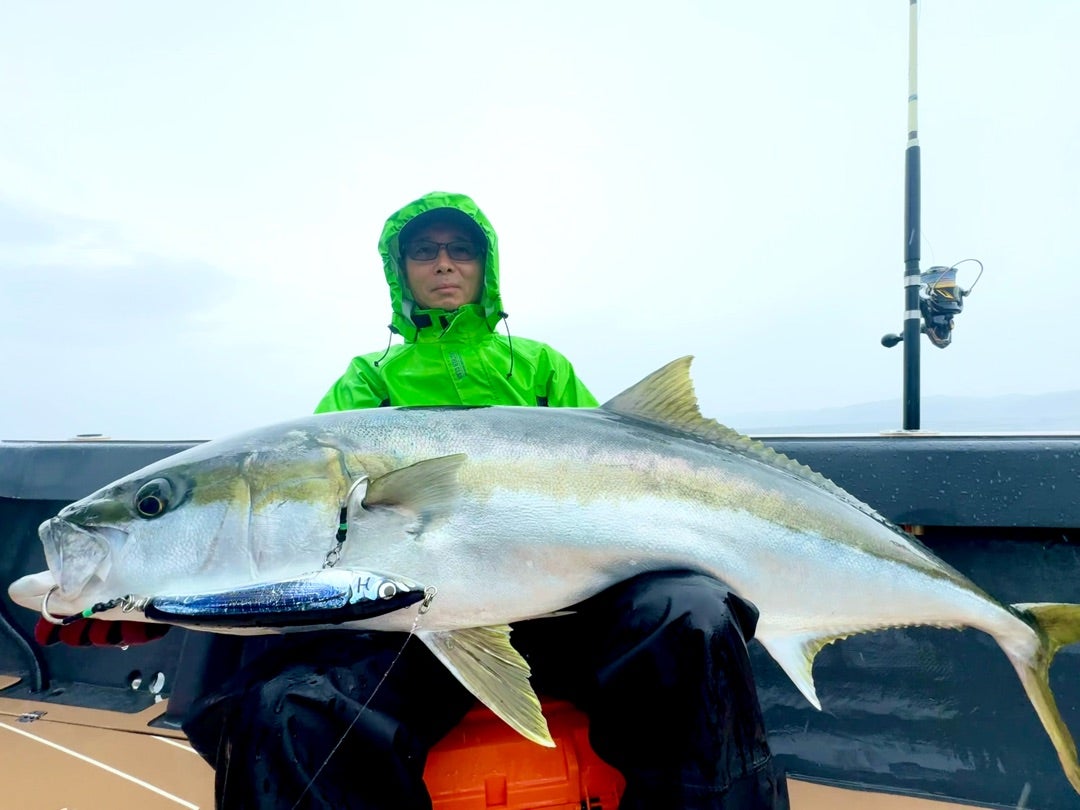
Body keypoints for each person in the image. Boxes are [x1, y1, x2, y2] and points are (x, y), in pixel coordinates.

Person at [179, 190, 790, 809]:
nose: (444, 264)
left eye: (460, 250)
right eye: (424, 252)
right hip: (413, 628)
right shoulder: (366, 380)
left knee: (689, 611)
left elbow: (607, 468)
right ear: (401, 271)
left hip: (564, 610)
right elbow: (315, 511)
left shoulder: (541, 366)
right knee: (287, 707)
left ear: (485, 265)